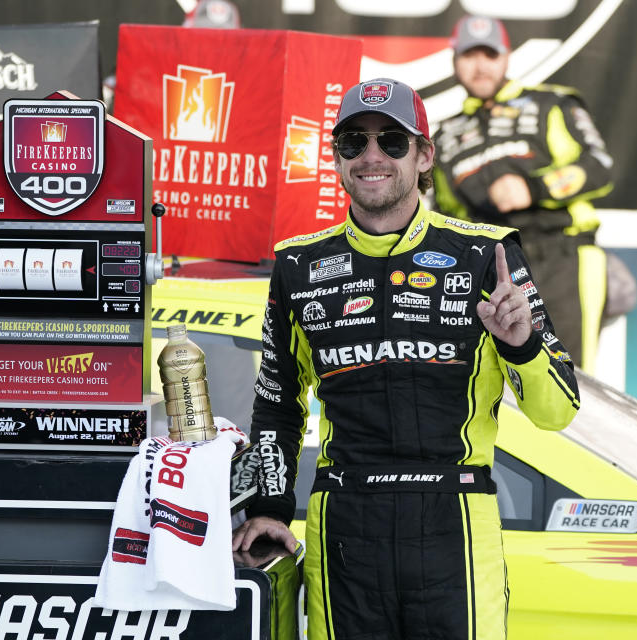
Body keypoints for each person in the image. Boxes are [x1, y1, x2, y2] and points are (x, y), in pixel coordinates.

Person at [232, 78, 580, 640]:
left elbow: (557, 411)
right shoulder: (298, 265)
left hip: (454, 523)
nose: (372, 157)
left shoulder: (485, 254)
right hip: (343, 526)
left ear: (424, 156)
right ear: (337, 158)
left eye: (392, 141)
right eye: (354, 143)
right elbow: (276, 405)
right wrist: (269, 507)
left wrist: (521, 345)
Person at [432, 15, 614, 374]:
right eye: (469, 56)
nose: (480, 66)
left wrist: (534, 188)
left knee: (570, 376)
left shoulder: (550, 105)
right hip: (493, 272)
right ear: (455, 62)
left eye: (490, 54)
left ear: (507, 57)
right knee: (498, 380)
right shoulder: (445, 137)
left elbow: (599, 167)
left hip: (562, 254)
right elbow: (445, 215)